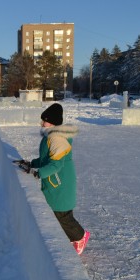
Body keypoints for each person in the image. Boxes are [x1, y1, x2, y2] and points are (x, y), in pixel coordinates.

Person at [24, 103, 90, 254]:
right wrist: (32, 164)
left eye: (44, 120)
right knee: (57, 212)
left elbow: (56, 165)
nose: (41, 123)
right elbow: (46, 159)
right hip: (54, 180)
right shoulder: (51, 136)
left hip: (60, 181)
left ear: (52, 122)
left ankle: (80, 237)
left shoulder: (57, 138)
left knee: (62, 214)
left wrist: (38, 173)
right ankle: (74, 237)